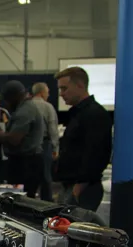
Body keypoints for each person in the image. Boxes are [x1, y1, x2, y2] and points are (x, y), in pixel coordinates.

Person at [54, 67, 113, 211]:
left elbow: (96, 153)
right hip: (71, 185)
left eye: (64, 88)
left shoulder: (94, 114)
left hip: (82, 187)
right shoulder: (78, 114)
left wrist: (79, 187)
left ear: (80, 86)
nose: (61, 94)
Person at [0, 81, 45, 198]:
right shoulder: (25, 108)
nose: (6, 103)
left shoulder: (25, 111)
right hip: (25, 161)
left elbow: (14, 139)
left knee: (22, 200)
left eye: (7, 99)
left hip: (26, 163)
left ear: (15, 97)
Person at [31, 82, 59, 201]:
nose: (48, 95)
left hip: (28, 147)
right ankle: (47, 205)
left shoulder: (26, 106)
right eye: (47, 92)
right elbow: (53, 128)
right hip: (44, 145)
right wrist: (55, 148)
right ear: (42, 93)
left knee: (31, 178)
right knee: (46, 177)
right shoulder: (48, 107)